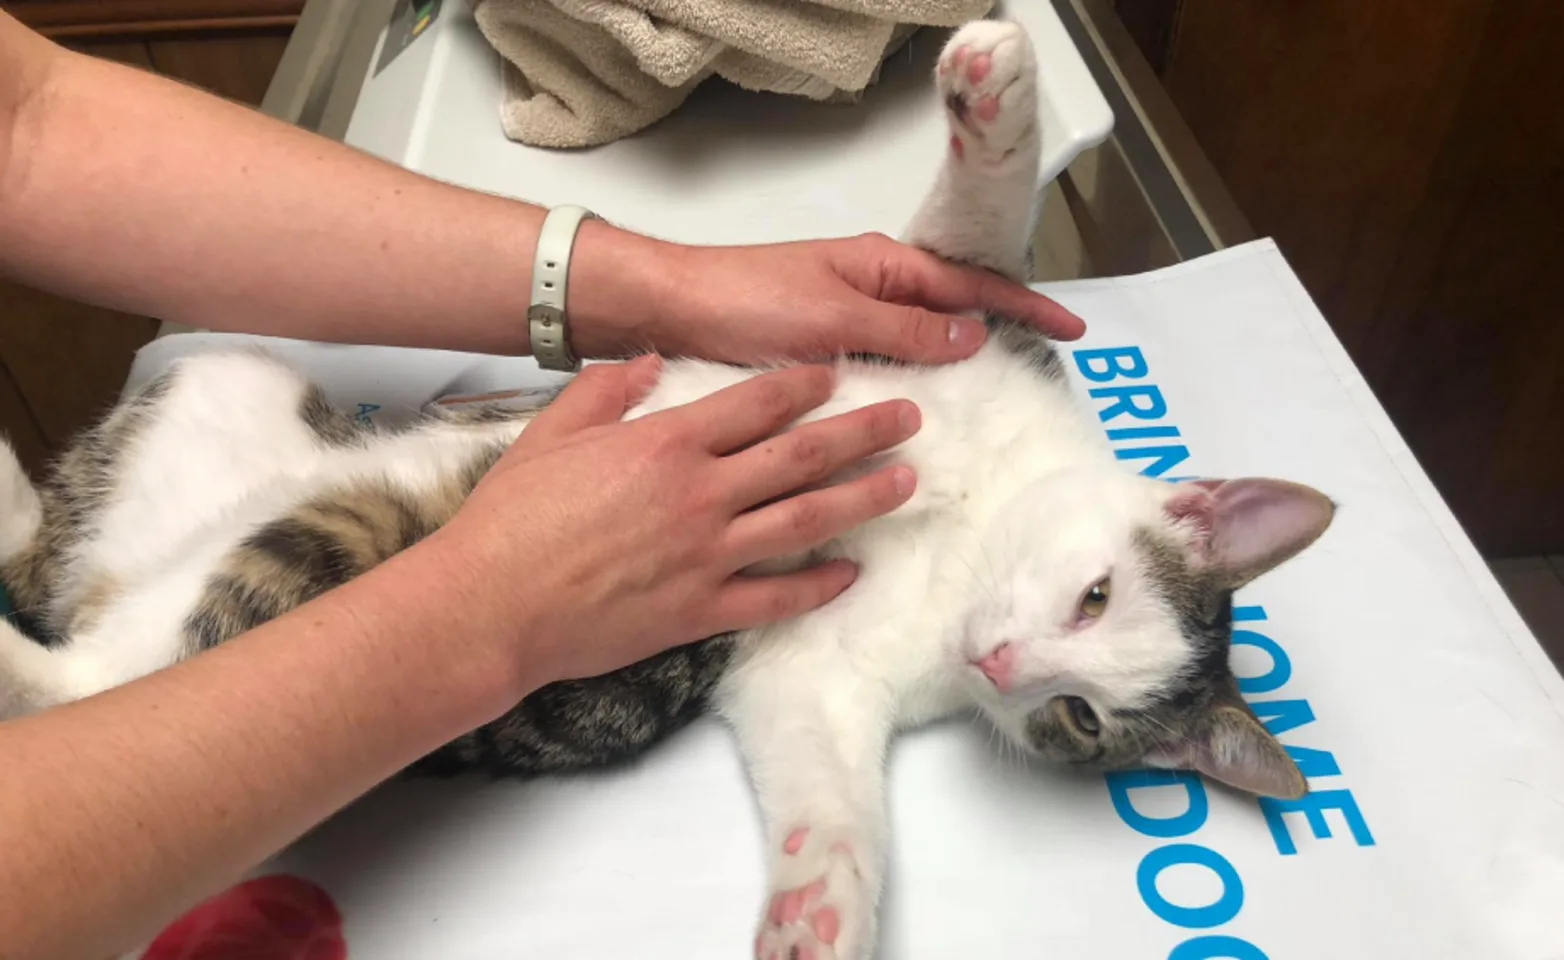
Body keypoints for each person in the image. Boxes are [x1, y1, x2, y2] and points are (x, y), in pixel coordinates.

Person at [0, 11, 1083, 959]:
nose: (1014, 660)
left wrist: (661, 285)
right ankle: (79, 688)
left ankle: (59, 617)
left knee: (226, 384)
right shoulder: (1044, 447)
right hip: (105, 786)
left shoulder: (962, 630)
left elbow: (27, 122)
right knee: (277, 561)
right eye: (1093, 602)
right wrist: (488, 604)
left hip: (313, 502)